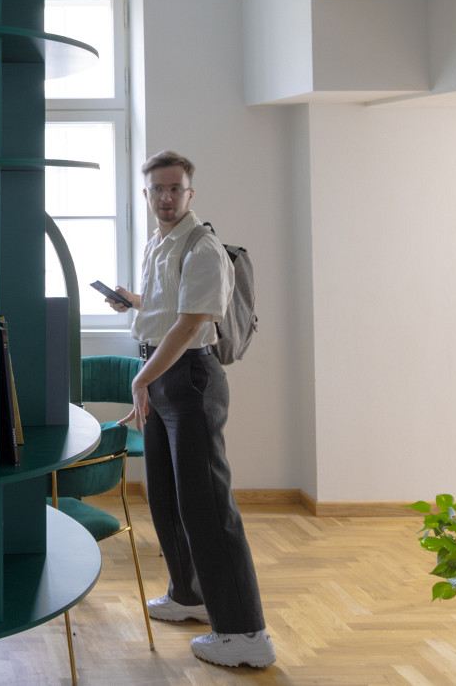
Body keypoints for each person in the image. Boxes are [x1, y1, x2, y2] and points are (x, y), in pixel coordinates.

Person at [106, 150, 274, 669]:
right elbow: (167, 308)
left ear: (190, 193)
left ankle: (246, 633)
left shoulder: (203, 247)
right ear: (146, 193)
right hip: (162, 376)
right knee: (165, 495)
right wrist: (133, 301)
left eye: (175, 188)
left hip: (190, 380)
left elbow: (190, 324)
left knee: (208, 507)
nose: (166, 197)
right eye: (157, 188)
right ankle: (189, 595)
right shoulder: (159, 242)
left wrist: (141, 378)